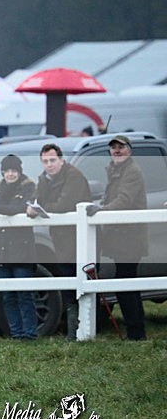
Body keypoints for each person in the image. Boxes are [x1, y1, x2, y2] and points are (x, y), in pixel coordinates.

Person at [27, 143, 91, 340]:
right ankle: (74, 331)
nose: (49, 165)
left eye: (52, 160)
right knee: (68, 281)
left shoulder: (74, 176)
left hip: (79, 240)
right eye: (45, 161)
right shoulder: (44, 179)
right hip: (61, 240)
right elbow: (36, 199)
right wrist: (32, 207)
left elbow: (64, 204)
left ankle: (80, 331)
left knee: (80, 283)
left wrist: (42, 206)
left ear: (61, 160)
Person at [86, 135, 148, 340]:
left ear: (129, 150)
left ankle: (136, 333)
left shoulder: (131, 171)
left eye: (120, 147)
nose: (116, 150)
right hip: (121, 239)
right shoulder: (117, 171)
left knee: (126, 284)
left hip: (129, 239)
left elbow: (124, 200)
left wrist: (101, 210)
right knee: (126, 283)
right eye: (113, 148)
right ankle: (136, 332)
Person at [0, 155, 37, 340]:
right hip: (1, 249)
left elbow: (20, 207)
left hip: (21, 249)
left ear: (19, 171)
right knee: (8, 295)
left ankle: (30, 333)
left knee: (24, 294)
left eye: (14, 170)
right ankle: (16, 332)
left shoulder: (29, 187)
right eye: (7, 170)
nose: (10, 174)